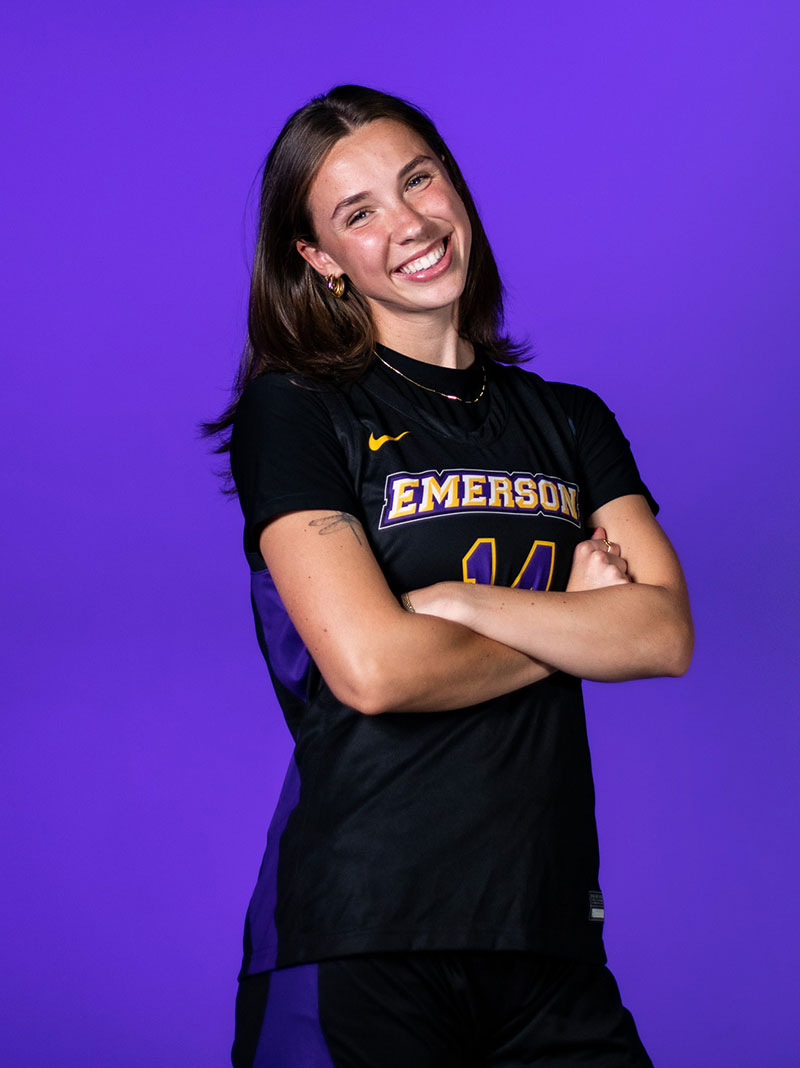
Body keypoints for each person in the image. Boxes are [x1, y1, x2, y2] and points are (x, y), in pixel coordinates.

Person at [210, 84, 693, 1067]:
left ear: (455, 187)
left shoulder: (568, 419)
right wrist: (571, 616)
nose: (408, 223)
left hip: (546, 933)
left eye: (416, 180)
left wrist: (469, 603)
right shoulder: (297, 414)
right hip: (358, 935)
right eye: (357, 213)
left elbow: (661, 635)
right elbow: (374, 670)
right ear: (318, 260)